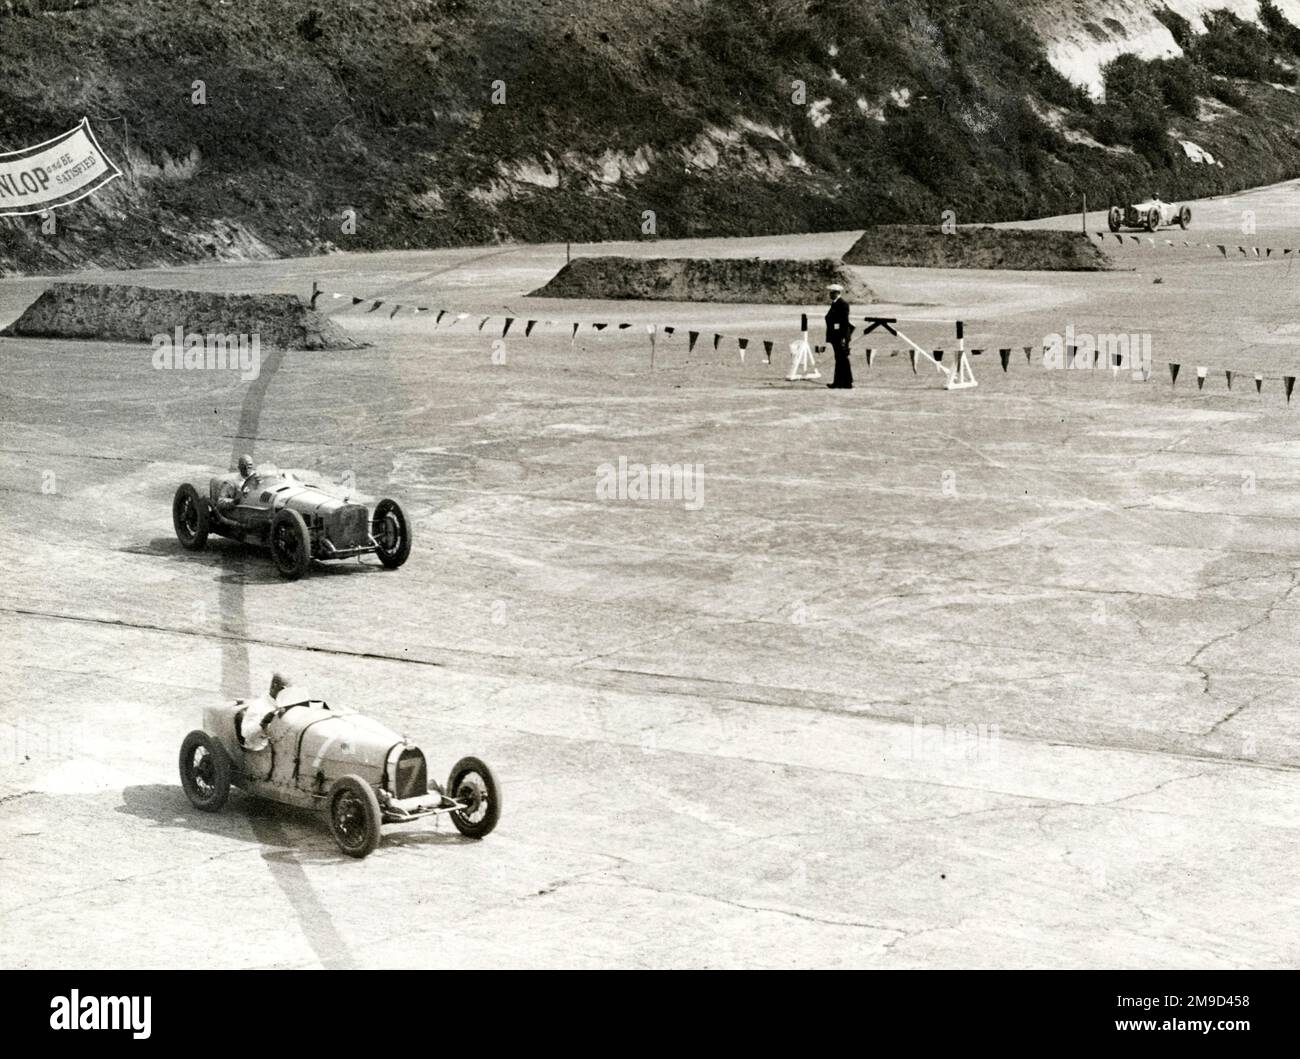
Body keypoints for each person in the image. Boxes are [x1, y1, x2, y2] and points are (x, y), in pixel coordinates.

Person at [824, 284, 853, 389]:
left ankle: (844, 382)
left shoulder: (842, 304)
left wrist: (843, 338)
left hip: (840, 335)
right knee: (840, 359)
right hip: (836, 335)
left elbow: (844, 322)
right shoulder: (835, 304)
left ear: (836, 293)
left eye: (832, 293)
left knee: (842, 359)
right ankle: (843, 382)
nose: (830, 295)